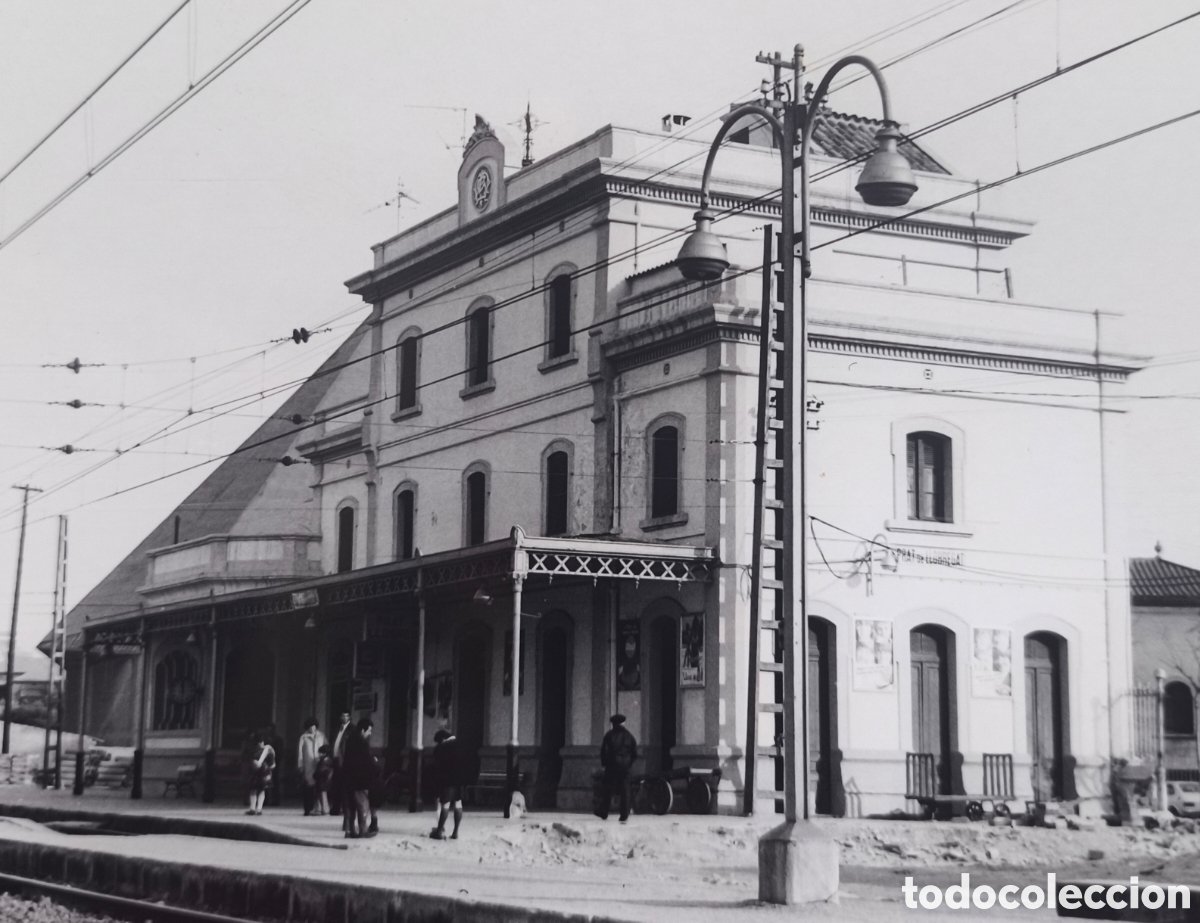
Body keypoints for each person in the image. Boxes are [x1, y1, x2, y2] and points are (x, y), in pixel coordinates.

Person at [429, 728, 471, 840]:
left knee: (445, 805)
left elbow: (438, 765)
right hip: (460, 780)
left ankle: (439, 831)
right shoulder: (462, 744)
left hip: (447, 780)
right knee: (458, 804)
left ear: (443, 738)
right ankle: (455, 832)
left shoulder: (443, 747)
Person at [341, 717, 376, 838]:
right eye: (369, 730)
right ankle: (363, 830)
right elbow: (366, 762)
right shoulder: (362, 742)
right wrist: (374, 763)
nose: (370, 733)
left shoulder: (350, 739)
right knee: (362, 806)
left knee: (351, 806)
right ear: (362, 730)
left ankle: (350, 830)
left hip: (349, 778)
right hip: (361, 780)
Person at [599, 713, 637, 822]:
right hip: (625, 766)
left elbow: (604, 751)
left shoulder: (609, 735)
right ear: (623, 723)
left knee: (608, 788)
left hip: (612, 765)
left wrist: (605, 763)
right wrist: (628, 763)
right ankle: (624, 814)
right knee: (625, 789)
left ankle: (604, 812)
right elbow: (634, 753)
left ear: (613, 724)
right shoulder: (629, 736)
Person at [297, 717, 326, 816]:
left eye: (314, 727)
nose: (312, 729)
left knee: (319, 786)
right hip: (308, 765)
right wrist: (300, 765)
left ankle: (319, 808)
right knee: (309, 787)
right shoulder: (303, 737)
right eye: (310, 727)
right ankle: (308, 808)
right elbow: (300, 752)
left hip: (319, 764)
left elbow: (326, 748)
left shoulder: (321, 736)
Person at [246, 731, 276, 816]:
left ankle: (253, 808)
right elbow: (273, 764)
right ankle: (259, 808)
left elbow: (249, 762)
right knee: (261, 790)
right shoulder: (268, 750)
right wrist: (268, 768)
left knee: (253, 790)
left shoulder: (252, 751)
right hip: (264, 774)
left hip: (255, 774)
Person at [330, 711, 352, 823]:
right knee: (336, 785)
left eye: (347, 716)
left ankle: (344, 807)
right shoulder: (337, 729)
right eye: (343, 715)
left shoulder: (351, 729)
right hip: (335, 760)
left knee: (344, 785)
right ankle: (336, 807)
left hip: (344, 761)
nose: (345, 717)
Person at [264, 723, 285, 807]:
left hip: (274, 762)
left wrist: (276, 761)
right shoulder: (266, 739)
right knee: (266, 780)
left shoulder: (277, 739)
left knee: (274, 781)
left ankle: (275, 800)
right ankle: (266, 800)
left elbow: (280, 751)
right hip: (267, 762)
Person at [314, 744, 335, 816]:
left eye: (320, 753)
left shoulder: (323, 761)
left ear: (324, 753)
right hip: (325, 781)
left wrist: (315, 775)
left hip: (322, 781)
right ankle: (323, 809)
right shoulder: (329, 760)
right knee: (322, 795)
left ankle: (325, 810)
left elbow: (320, 771)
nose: (319, 754)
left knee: (323, 796)